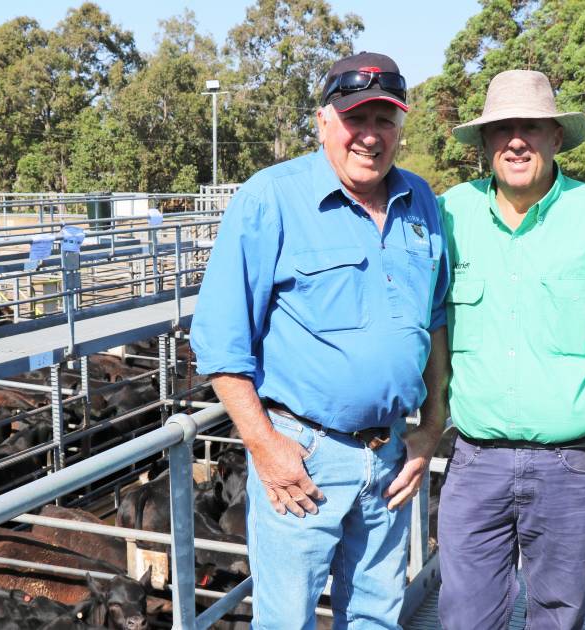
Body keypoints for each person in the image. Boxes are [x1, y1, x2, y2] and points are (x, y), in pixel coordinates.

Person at [191, 51, 450, 629]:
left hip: (389, 456)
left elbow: (435, 322)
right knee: (288, 622)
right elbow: (219, 340)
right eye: (357, 119)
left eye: (386, 121)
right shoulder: (271, 198)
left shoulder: (422, 203)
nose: (371, 137)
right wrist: (264, 446)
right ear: (324, 121)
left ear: (400, 129)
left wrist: (430, 429)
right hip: (302, 458)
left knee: (377, 618)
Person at [436, 69, 585, 629]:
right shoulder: (451, 214)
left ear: (556, 137)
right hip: (475, 459)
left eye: (531, 127)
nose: (516, 140)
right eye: (503, 129)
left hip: (573, 461)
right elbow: (427, 319)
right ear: (486, 143)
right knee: (464, 615)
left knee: (556, 613)